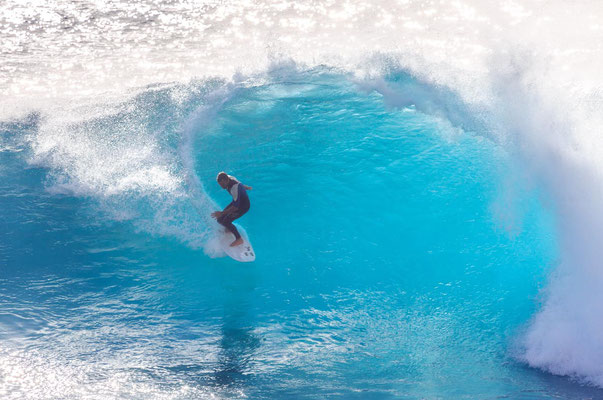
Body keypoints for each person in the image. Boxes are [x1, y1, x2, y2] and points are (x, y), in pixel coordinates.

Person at [211, 172, 252, 247]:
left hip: (243, 206)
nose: (221, 187)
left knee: (226, 221)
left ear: (226, 180)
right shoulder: (229, 178)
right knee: (220, 220)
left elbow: (235, 207)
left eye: (222, 184)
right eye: (220, 185)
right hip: (236, 202)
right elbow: (240, 184)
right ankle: (230, 229)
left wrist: (221, 213)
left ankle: (239, 239)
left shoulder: (234, 188)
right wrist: (246, 187)